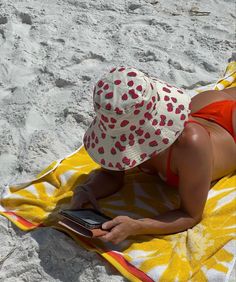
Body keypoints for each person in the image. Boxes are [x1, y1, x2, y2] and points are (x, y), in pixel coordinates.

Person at [70, 66, 236, 244]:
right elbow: (111, 175)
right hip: (205, 105)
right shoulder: (117, 125)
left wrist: (139, 226)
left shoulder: (190, 145)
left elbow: (191, 214)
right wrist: (88, 190)